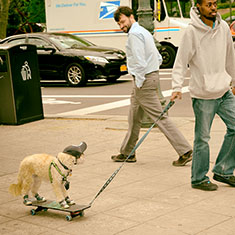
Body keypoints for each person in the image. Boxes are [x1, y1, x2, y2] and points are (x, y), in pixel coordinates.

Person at [111, 6, 193, 166]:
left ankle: (185, 150)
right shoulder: (143, 31)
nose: (121, 26)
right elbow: (157, 56)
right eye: (119, 24)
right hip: (149, 78)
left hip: (143, 81)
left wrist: (140, 82)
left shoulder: (134, 35)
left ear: (131, 16)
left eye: (122, 22)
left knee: (160, 117)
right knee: (134, 118)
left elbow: (140, 63)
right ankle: (127, 152)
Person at [171, 0, 235, 191]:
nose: (213, 8)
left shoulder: (223, 27)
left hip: (223, 92)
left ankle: (223, 170)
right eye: (208, 4)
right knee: (203, 139)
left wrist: (234, 80)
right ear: (198, 6)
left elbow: (230, 56)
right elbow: (181, 61)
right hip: (204, 94)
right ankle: (198, 178)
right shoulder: (191, 32)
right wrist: (176, 86)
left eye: (215, 3)